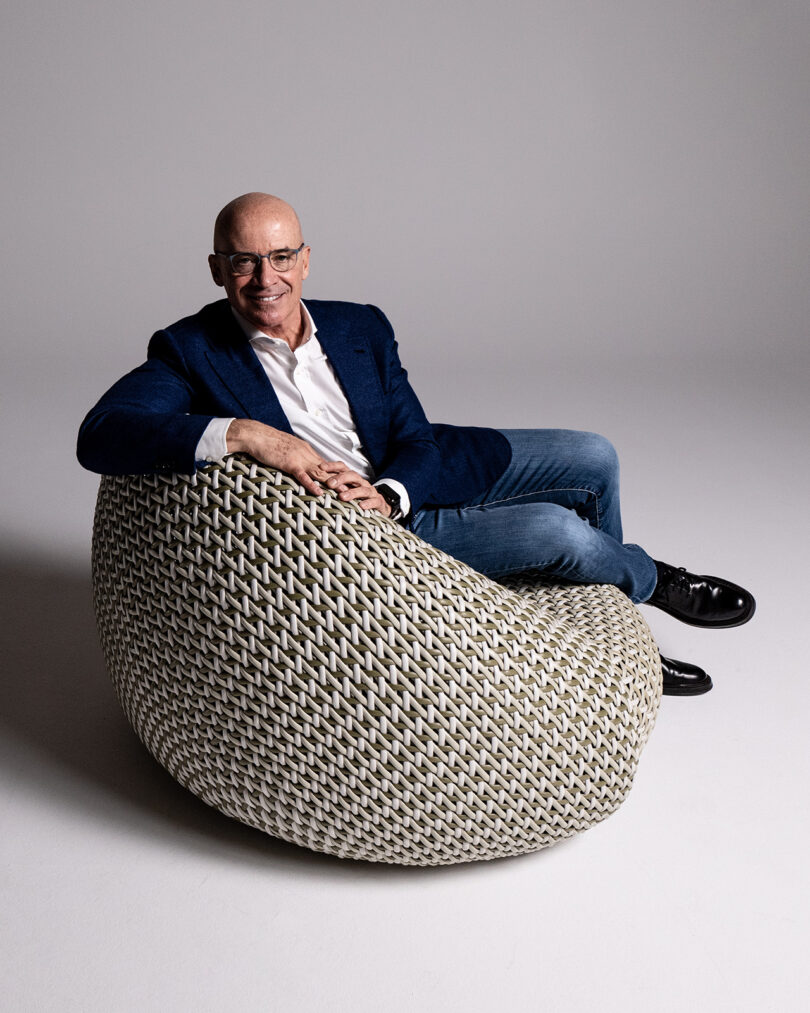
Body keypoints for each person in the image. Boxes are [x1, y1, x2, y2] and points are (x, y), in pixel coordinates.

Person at [78, 192, 755, 696]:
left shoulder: (360, 325)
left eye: (281, 256)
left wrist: (395, 489)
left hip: (406, 481)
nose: (266, 278)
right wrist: (250, 434)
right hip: (371, 530)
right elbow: (103, 433)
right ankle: (655, 587)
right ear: (217, 268)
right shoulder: (190, 349)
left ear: (306, 259)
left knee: (595, 454)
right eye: (244, 262)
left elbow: (416, 436)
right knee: (561, 532)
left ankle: (621, 619)